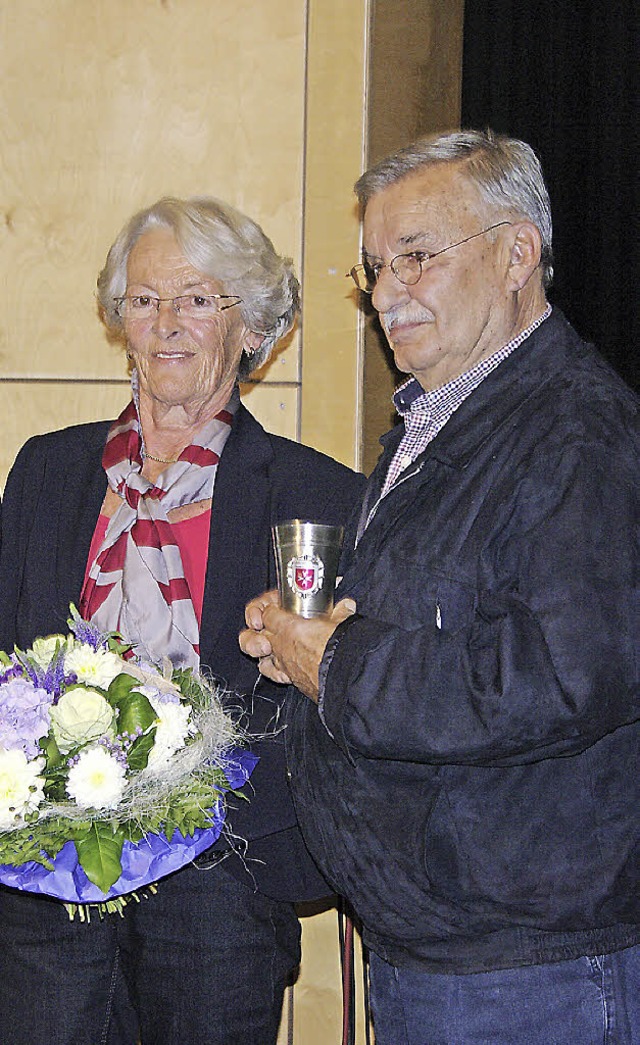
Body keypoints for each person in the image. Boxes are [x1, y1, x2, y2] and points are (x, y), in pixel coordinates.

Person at [240, 130, 639, 1044]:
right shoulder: (447, 413)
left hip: (530, 972)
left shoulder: (579, 435)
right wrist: (309, 643)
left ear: (515, 253)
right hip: (447, 951)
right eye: (374, 267)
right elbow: (446, 612)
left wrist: (336, 662)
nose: (386, 293)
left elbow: (557, 674)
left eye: (416, 257)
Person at [0, 195, 364, 1045]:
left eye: (198, 299)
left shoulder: (316, 496)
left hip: (222, 879)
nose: (167, 323)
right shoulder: (48, 469)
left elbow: (340, 689)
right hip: (47, 874)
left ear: (251, 326)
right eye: (143, 298)